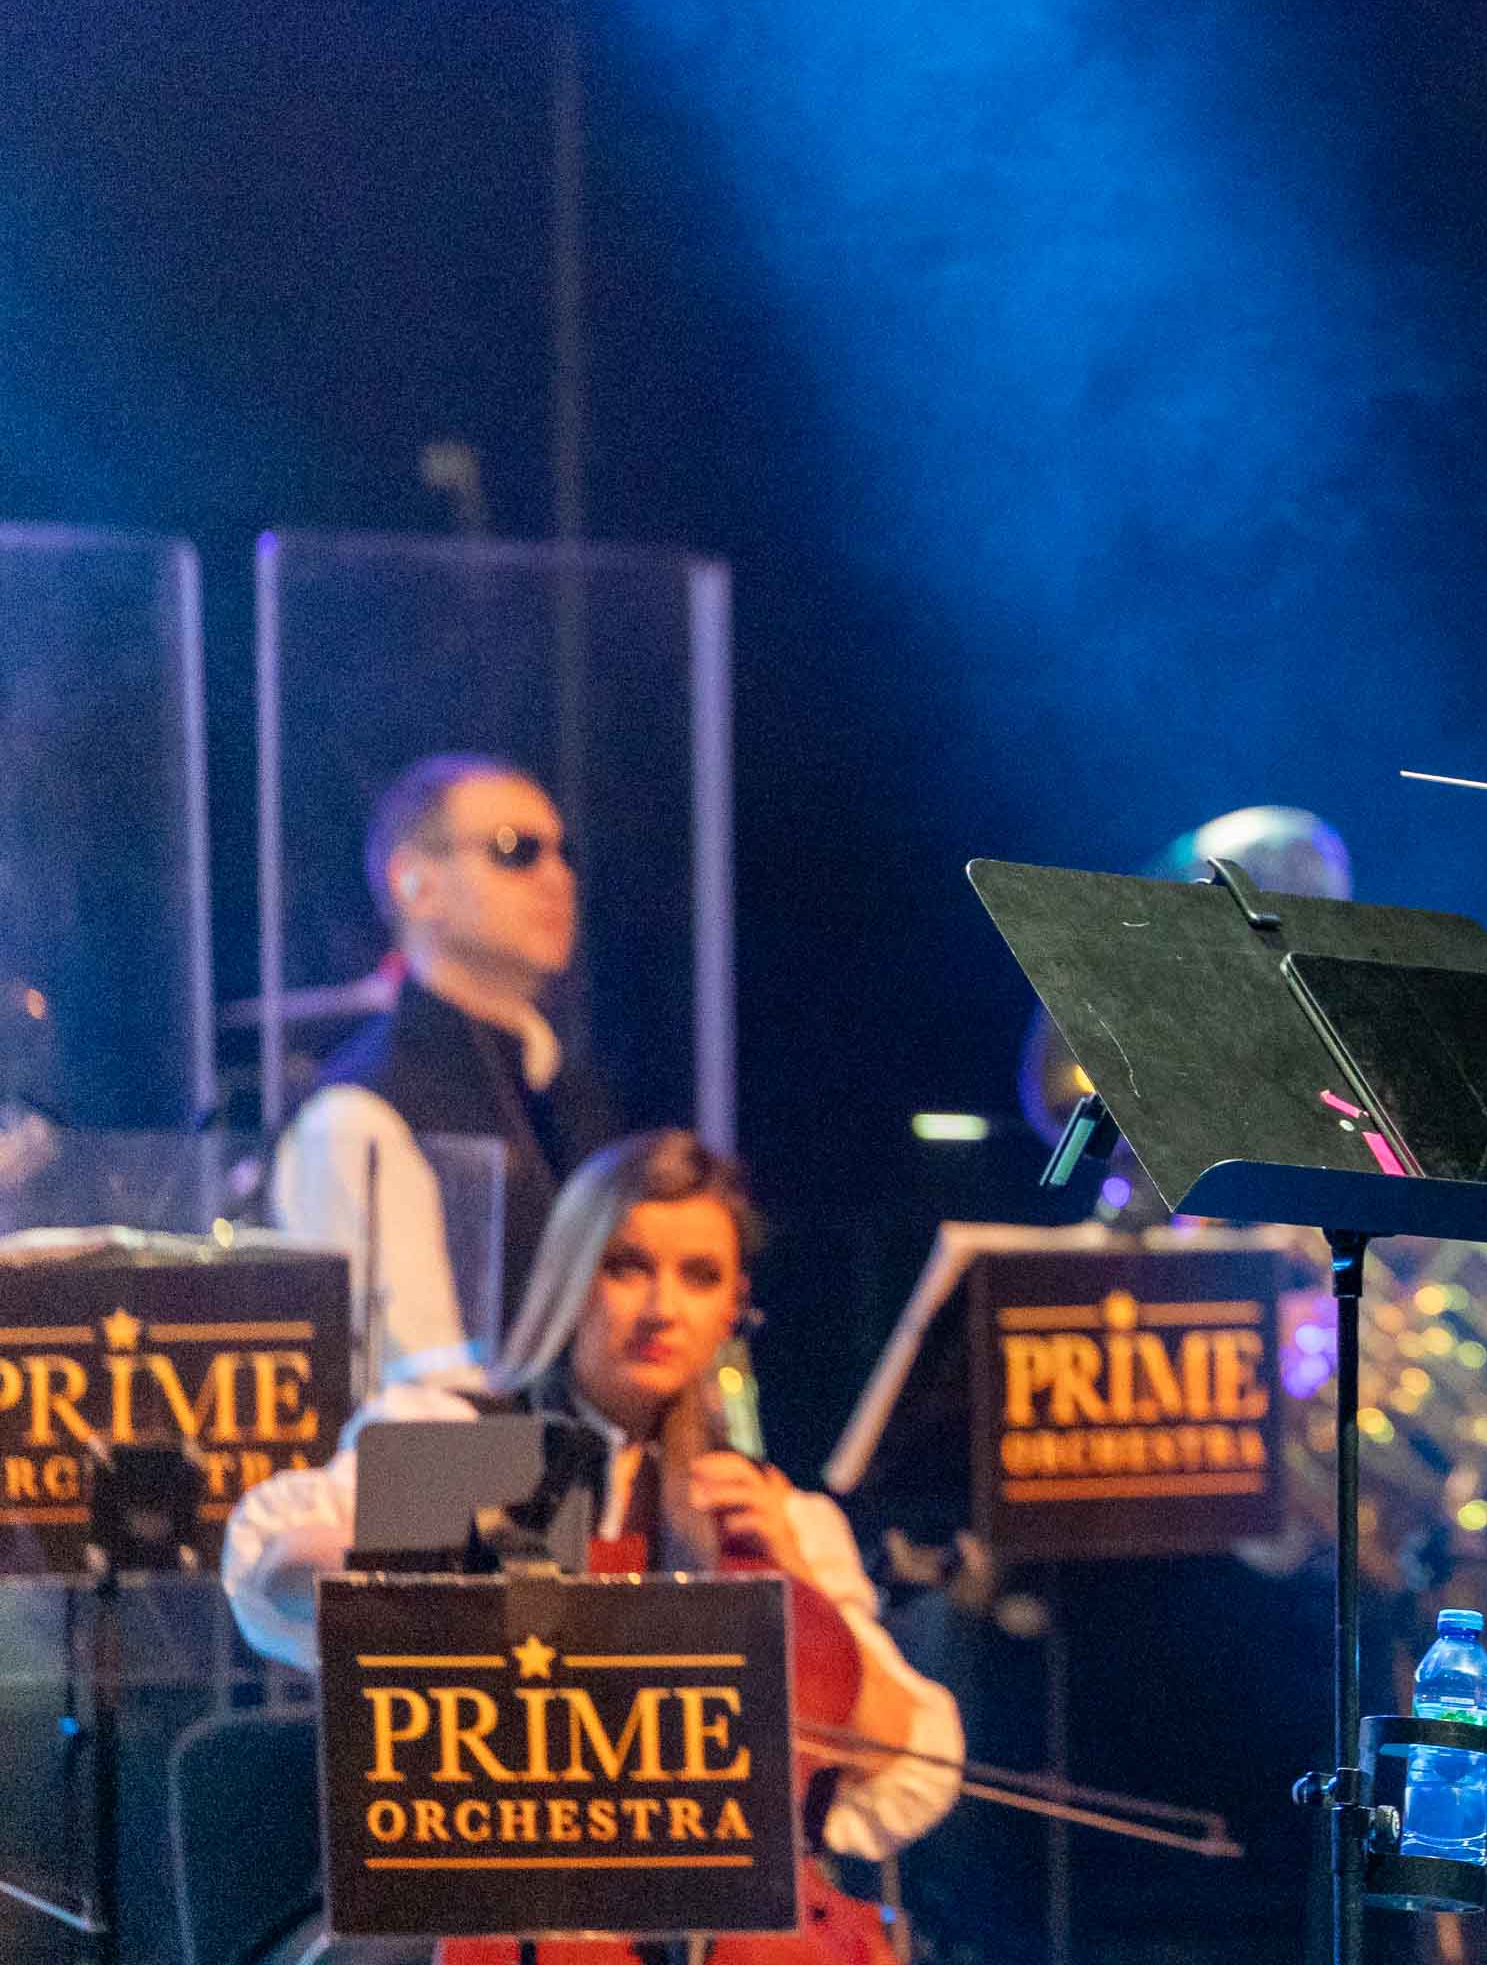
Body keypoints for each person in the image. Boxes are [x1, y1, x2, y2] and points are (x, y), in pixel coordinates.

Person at [224, 1130, 964, 1863]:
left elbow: (908, 1762)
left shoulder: (765, 1508)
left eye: (700, 1277)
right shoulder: (463, 1432)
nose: (662, 1308)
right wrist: (470, 1534)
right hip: (491, 1879)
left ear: (733, 1307)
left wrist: (796, 1587)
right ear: (569, 1278)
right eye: (626, 1266)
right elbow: (277, 1572)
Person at [273, 754, 619, 1391]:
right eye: (516, 851)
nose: (557, 878)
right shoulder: (359, 1115)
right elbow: (421, 1396)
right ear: (415, 885)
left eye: (563, 854)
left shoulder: (568, 1092)